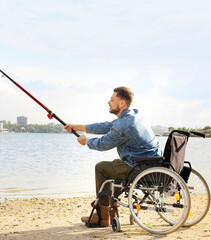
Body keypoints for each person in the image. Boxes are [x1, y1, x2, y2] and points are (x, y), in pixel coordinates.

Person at [64, 86, 160, 227]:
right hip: (150, 162)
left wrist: (86, 141)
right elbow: (107, 126)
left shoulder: (124, 124)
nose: (108, 102)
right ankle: (111, 207)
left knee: (102, 168)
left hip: (139, 167)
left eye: (112, 99)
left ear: (121, 103)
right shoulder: (134, 115)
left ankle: (103, 216)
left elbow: (104, 144)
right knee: (115, 166)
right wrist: (78, 127)